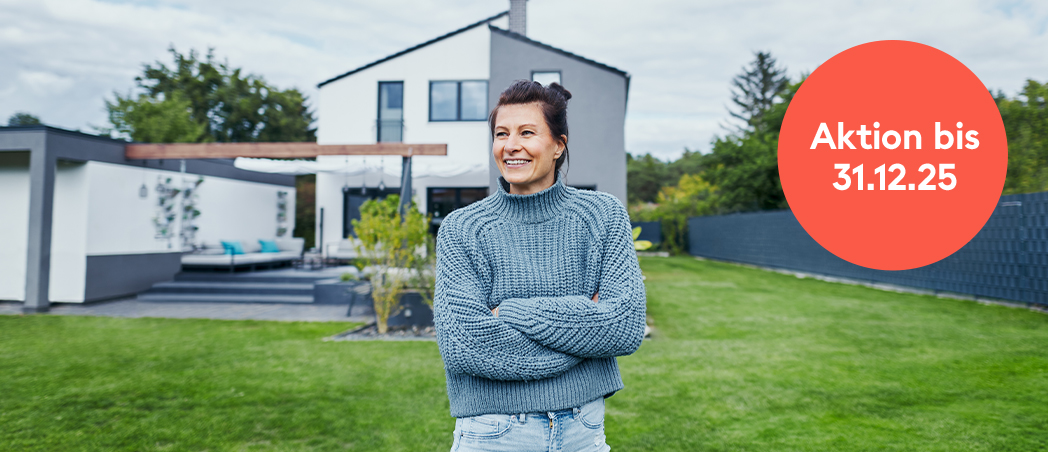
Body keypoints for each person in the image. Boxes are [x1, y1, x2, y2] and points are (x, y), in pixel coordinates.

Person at [433, 79, 647, 452]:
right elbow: (464, 345)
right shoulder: (463, 228)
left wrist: (511, 312)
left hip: (583, 429)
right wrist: (584, 326)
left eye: (527, 132)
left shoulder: (603, 215)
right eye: (501, 133)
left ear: (558, 145)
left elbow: (624, 327)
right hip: (492, 432)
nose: (510, 145)